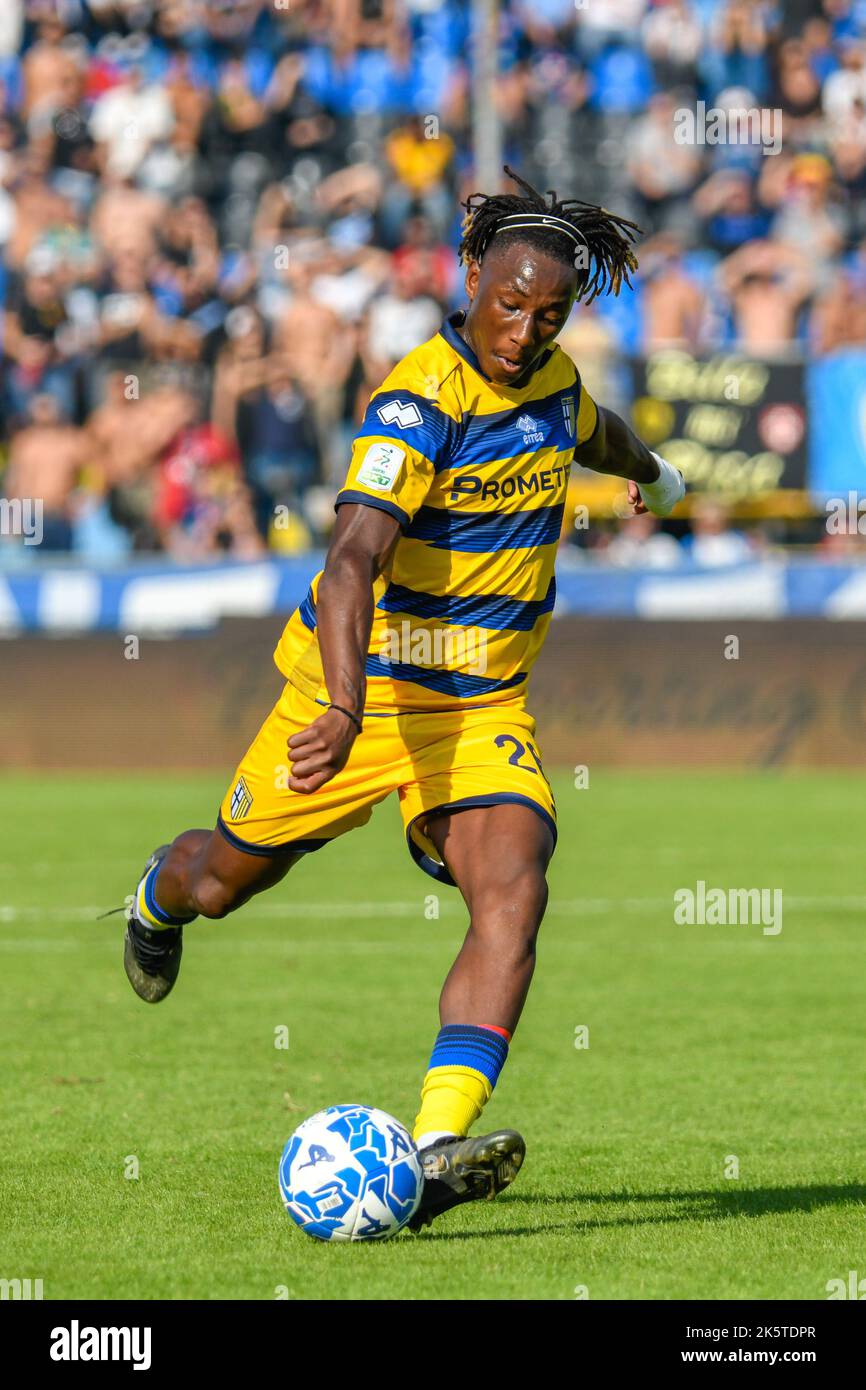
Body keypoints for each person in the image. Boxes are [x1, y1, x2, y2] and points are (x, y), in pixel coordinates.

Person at [117, 167, 685, 1232]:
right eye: (508, 304)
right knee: (224, 882)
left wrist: (654, 469)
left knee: (514, 885)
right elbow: (348, 558)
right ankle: (158, 893)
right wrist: (337, 705)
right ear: (470, 276)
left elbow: (594, 431)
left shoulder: (554, 388)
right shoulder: (415, 404)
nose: (521, 330)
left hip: (478, 712)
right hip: (356, 697)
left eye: (547, 314)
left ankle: (431, 1152)